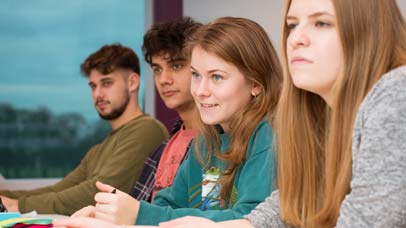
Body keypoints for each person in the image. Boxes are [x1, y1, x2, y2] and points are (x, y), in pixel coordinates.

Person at [147, 0, 406, 227]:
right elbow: (294, 204)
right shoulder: (319, 115)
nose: (296, 38)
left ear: (368, 29)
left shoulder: (396, 92)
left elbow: (366, 220)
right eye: (292, 25)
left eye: (321, 23)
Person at [53, 16, 283, 227]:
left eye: (216, 77)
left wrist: (140, 214)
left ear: (256, 84)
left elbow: (250, 219)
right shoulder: (207, 141)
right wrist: (108, 216)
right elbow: (184, 206)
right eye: (195, 75)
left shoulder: (267, 135)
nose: (200, 90)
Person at [0, 44, 168, 215]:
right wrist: (5, 197)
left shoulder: (148, 130)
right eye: (93, 86)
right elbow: (59, 190)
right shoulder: (98, 150)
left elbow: (95, 194)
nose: (98, 94)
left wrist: (18, 206)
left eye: (107, 83)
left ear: (132, 82)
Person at [131, 17, 202, 203]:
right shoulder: (161, 150)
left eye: (176, 66)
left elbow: (208, 214)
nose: (164, 79)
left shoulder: (218, 146)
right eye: (157, 69)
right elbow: (135, 211)